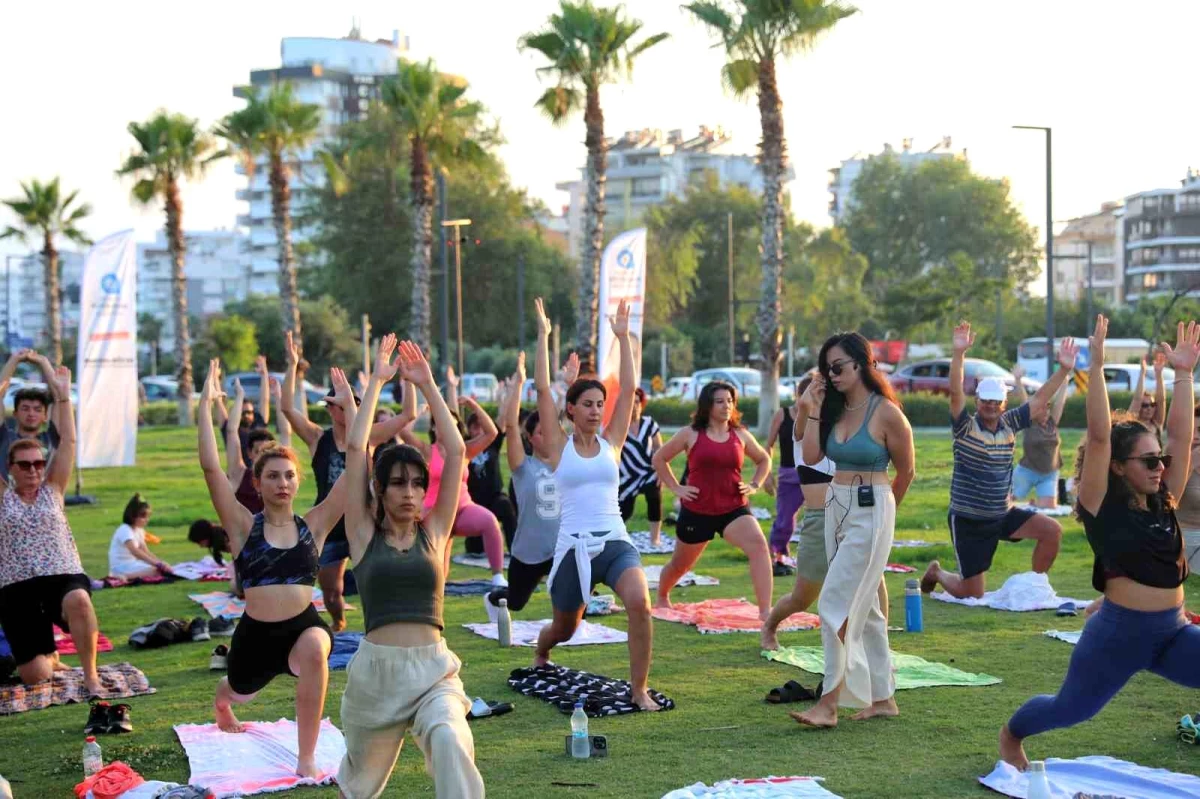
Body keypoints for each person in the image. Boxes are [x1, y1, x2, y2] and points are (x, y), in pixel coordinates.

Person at [1000, 316, 1200, 769]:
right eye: (1148, 460)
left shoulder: (1163, 499)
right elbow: (1098, 435)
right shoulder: (1101, 507)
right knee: (1069, 710)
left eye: (1161, 459)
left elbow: (1182, 438)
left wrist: (1184, 374)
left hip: (1171, 630)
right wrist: (1096, 362)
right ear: (1117, 466)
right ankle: (1011, 734)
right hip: (1118, 635)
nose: (1160, 466)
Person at [336, 334, 484, 798]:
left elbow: (457, 452)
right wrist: (379, 383)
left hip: (433, 670)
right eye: (398, 483)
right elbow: (356, 451)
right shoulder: (362, 534)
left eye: (418, 484)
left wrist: (427, 384)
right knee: (358, 789)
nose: (410, 493)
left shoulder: (435, 532)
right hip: (376, 677)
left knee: (449, 737)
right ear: (380, 489)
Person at [198, 358, 349, 780]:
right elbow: (211, 469)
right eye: (272, 476)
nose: (282, 483)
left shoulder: (315, 523)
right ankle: (222, 700)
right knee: (240, 693)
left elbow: (356, 466)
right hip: (256, 634)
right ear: (259, 483)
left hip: (303, 625)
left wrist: (352, 413)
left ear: (297, 483)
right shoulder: (244, 525)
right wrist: (205, 409)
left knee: (319, 650)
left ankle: (306, 756)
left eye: (288, 476)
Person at [532, 297, 661, 712]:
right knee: (565, 628)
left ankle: (639, 688)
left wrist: (623, 338)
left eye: (599, 404)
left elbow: (628, 386)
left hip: (615, 541)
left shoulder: (613, 443)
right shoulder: (557, 446)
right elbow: (540, 390)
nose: (595, 410)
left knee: (640, 604)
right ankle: (541, 649)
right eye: (586, 404)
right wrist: (543, 336)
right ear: (571, 409)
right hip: (573, 546)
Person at [791, 332, 915, 728]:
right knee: (872, 611)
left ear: (861, 364)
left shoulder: (886, 412)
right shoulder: (832, 406)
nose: (833, 373)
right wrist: (811, 405)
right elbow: (810, 455)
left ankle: (828, 703)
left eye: (839, 366)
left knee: (832, 603)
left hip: (872, 505)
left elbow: (907, 470)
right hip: (835, 504)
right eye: (828, 368)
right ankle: (883, 697)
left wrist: (884, 513)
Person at [921, 321, 1077, 599]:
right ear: (977, 401)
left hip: (1002, 514)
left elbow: (1041, 398)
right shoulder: (965, 428)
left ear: (1003, 402)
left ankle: (1035, 587)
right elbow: (956, 392)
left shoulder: (1011, 423)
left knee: (1052, 530)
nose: (991, 406)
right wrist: (958, 355)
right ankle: (937, 573)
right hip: (969, 519)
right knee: (973, 594)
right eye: (986, 401)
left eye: (996, 401)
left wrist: (1064, 369)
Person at [281, 331, 413, 631]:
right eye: (341, 403)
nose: (347, 407)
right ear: (330, 407)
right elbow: (288, 408)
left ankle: (379, 627)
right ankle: (339, 622)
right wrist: (292, 365)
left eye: (352, 401)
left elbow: (407, 415)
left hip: (363, 520)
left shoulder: (369, 438)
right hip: (329, 526)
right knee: (331, 591)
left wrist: (407, 379)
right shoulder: (318, 438)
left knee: (375, 584)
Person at [0, 365, 103, 696]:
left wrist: (61, 392)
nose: (34, 470)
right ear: (11, 469)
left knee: (80, 600)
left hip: (61, 574)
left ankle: (91, 676)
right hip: (16, 585)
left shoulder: (53, 488)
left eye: (39, 464)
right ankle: (48, 656)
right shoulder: (3, 496)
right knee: (36, 677)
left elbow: (69, 440)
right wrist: (8, 372)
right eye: (25, 465)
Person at [652, 381, 774, 618]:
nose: (726, 406)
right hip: (697, 510)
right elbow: (659, 458)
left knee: (759, 547)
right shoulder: (690, 434)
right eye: (720, 401)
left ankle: (765, 612)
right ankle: (662, 595)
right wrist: (676, 488)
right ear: (707, 405)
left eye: (729, 401)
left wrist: (755, 484)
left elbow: (764, 460)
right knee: (681, 565)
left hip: (734, 509)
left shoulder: (740, 434)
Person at [398, 368, 507, 586]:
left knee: (490, 522)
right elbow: (404, 431)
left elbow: (492, 433)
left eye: (452, 424)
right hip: (435, 512)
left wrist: (472, 404)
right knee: (440, 572)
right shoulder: (427, 451)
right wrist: (420, 411)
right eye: (440, 423)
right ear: (434, 428)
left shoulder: (465, 450)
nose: (447, 428)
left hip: (463, 509)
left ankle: (497, 577)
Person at [761, 374, 839, 651]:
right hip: (819, 521)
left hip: (853, 518)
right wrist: (811, 398)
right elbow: (805, 411)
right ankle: (769, 627)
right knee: (802, 598)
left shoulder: (843, 430)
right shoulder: (801, 430)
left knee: (871, 585)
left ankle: (874, 646)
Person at [485, 353, 560, 617]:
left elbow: (560, 416)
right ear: (530, 438)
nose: (547, 435)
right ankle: (493, 597)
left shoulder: (564, 461)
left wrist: (568, 384)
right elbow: (510, 426)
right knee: (515, 602)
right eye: (540, 433)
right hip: (528, 551)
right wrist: (518, 384)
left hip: (561, 548)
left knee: (574, 600)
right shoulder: (523, 465)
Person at [1010, 366, 1068, 509]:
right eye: (1042, 408)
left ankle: (1033, 504)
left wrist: (1065, 380)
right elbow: (1024, 401)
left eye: (1048, 408)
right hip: (1027, 471)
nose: (1046, 411)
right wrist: (1018, 380)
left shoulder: (1052, 422)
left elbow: (1060, 402)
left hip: (1049, 472)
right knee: (1005, 503)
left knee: (1048, 508)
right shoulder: (1029, 422)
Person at [0, 349, 61, 482]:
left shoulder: (51, 439)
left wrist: (43, 361)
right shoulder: (4, 437)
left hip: (43, 501)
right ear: (15, 413)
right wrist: (14, 360)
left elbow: (59, 397)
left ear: (45, 415)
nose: (31, 413)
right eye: (25, 408)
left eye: (37, 409)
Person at [226, 379, 279, 515]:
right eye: (259, 451)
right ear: (249, 453)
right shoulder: (240, 475)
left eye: (267, 451)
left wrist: (278, 397)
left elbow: (286, 431)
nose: (263, 455)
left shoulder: (281, 477)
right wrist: (239, 396)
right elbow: (231, 430)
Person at [619, 388, 664, 546]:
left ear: (641, 404)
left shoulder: (649, 423)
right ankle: (616, 536)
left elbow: (659, 449)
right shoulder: (618, 425)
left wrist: (661, 472)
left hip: (649, 471)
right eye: (631, 403)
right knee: (624, 508)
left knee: (655, 500)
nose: (634, 406)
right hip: (627, 475)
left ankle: (655, 539)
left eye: (637, 402)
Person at [764, 396, 803, 573]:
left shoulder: (819, 414)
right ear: (799, 394)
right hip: (788, 475)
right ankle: (776, 559)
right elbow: (768, 445)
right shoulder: (783, 414)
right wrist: (767, 474)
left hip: (815, 474)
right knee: (784, 521)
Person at [215, 355, 271, 466]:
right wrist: (216, 379)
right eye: (243, 413)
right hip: (238, 475)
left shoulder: (259, 422)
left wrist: (264, 375)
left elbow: (265, 400)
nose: (247, 415)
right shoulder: (228, 427)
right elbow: (218, 401)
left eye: (250, 412)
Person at [107, 494, 173, 580]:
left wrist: (160, 562)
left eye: (148, 517)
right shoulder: (125, 530)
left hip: (132, 564)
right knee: (156, 571)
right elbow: (135, 551)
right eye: (143, 517)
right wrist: (157, 564)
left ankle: (127, 576)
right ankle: (120, 576)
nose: (147, 520)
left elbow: (145, 551)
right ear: (133, 516)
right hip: (121, 566)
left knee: (161, 570)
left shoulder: (139, 530)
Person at [188, 519, 241, 597]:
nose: (200, 546)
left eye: (199, 542)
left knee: (236, 587)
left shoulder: (231, 543)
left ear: (204, 537)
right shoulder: (226, 537)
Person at [1176, 405, 1200, 572]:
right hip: (1186, 540)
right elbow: (1165, 498)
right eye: (1192, 430)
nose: (1196, 436)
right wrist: (1191, 464)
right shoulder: (1175, 462)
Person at [1129, 352, 1167, 431]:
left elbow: (1161, 400)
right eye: (1145, 405)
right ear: (1139, 407)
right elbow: (1137, 399)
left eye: (1152, 405)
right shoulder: (1131, 425)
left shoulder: (1156, 423)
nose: (1149, 408)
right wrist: (1143, 372)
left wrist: (1158, 373)